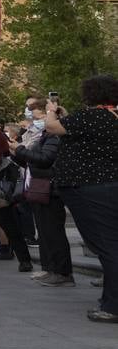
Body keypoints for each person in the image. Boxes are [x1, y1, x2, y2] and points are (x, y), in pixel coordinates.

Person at [45, 76, 118, 321]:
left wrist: (50, 112)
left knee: (106, 246)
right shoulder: (112, 116)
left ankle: (112, 306)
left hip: (88, 187)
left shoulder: (92, 116)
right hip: (109, 184)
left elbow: (52, 128)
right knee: (110, 243)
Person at [12, 98, 71, 285]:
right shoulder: (46, 135)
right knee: (45, 231)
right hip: (40, 186)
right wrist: (16, 153)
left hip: (50, 188)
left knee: (53, 231)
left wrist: (20, 150)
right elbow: (33, 160)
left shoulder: (54, 136)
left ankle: (62, 272)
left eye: (47, 114)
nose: (42, 119)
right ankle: (50, 268)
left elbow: (45, 158)